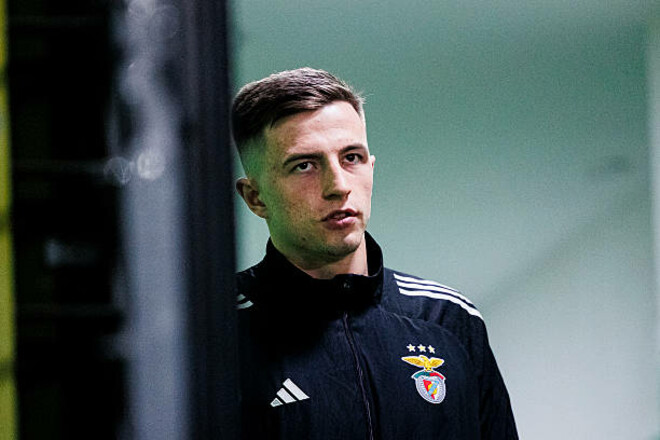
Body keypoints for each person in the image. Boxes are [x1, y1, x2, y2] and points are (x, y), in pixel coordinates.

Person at [232, 67, 518, 439]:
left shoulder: (449, 319)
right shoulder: (217, 332)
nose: (338, 186)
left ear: (371, 167)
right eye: (304, 166)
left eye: (351, 157)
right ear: (255, 197)